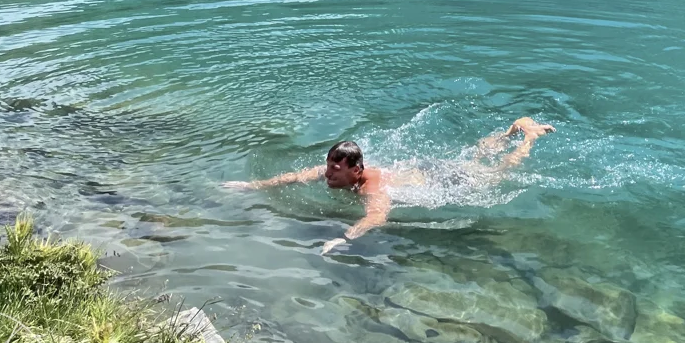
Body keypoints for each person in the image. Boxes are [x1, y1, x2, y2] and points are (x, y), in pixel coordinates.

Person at [223, 116, 555, 254]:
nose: (328, 175)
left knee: (495, 174)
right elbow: (295, 176)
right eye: (328, 167)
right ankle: (511, 130)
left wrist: (343, 238)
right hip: (421, 170)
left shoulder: (372, 189)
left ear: (357, 170)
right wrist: (254, 186)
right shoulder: (333, 170)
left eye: (336, 170)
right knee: (475, 157)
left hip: (441, 178)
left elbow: (376, 217)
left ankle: (529, 136)